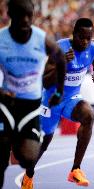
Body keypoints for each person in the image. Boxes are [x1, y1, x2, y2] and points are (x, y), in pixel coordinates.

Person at [22, 18, 94, 188]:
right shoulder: (60, 48)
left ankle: (75, 170)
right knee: (44, 144)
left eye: (89, 38)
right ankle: (29, 173)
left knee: (89, 114)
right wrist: (61, 64)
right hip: (52, 101)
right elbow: (45, 81)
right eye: (81, 37)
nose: (85, 42)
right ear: (74, 34)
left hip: (72, 99)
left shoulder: (93, 47)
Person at [0, 0, 66, 188]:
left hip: (30, 105)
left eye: (30, 16)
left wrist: (59, 92)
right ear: (10, 16)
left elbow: (60, 59)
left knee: (28, 159)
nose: (26, 20)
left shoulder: (42, 39)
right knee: (1, 161)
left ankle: (18, 140)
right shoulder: (1, 40)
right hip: (6, 103)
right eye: (21, 16)